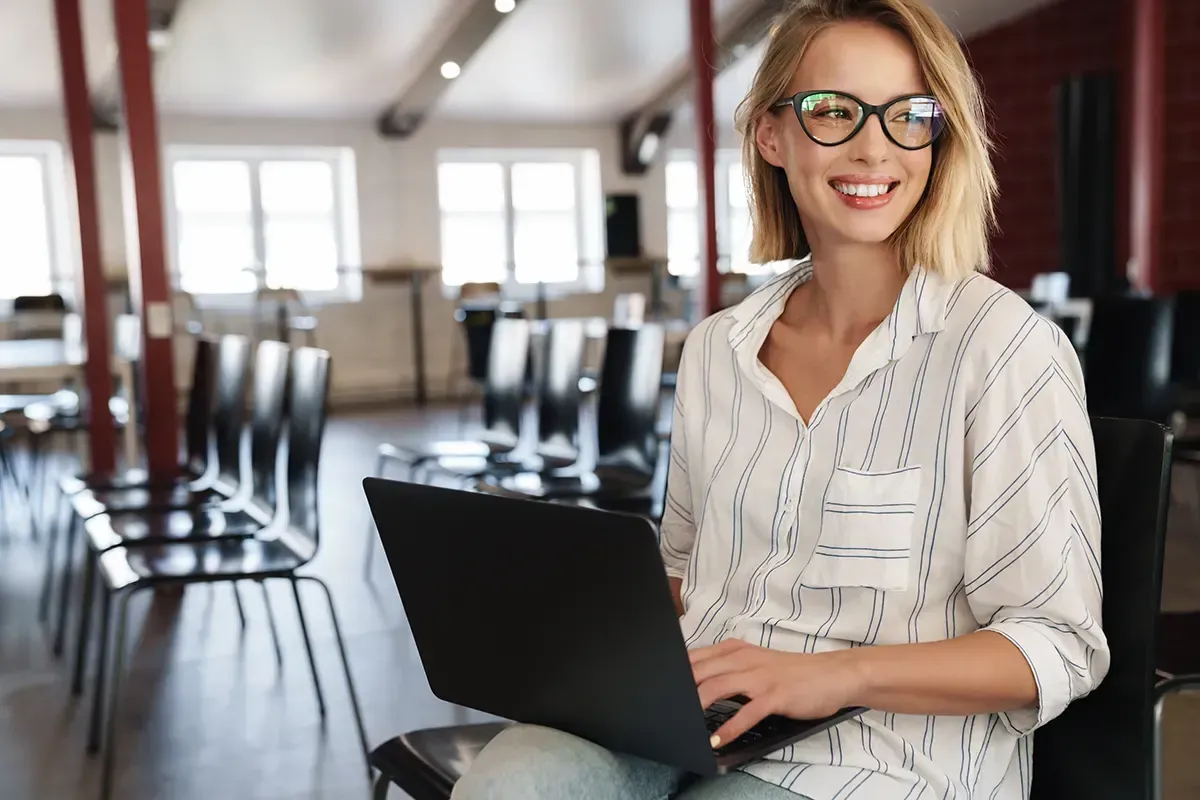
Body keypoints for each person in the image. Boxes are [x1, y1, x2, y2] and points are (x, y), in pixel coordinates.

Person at [452, 0, 1106, 797]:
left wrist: (834, 674)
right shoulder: (716, 350)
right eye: (833, 111)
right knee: (509, 785)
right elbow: (686, 574)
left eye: (909, 115)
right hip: (698, 703)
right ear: (771, 134)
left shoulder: (1003, 349)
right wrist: (570, 626)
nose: (874, 147)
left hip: (888, 751)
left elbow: (1058, 644)